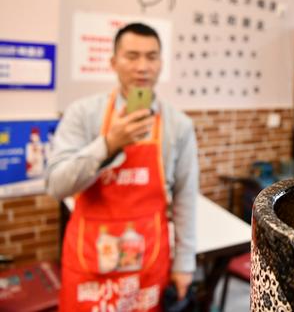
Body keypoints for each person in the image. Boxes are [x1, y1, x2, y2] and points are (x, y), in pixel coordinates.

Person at [46, 23, 198, 311]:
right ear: (114, 62)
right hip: (89, 260)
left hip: (149, 263)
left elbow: (185, 198)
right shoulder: (83, 114)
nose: (142, 66)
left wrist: (185, 264)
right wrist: (109, 143)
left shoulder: (179, 125)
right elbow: (56, 185)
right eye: (132, 56)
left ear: (161, 64)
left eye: (151, 57)